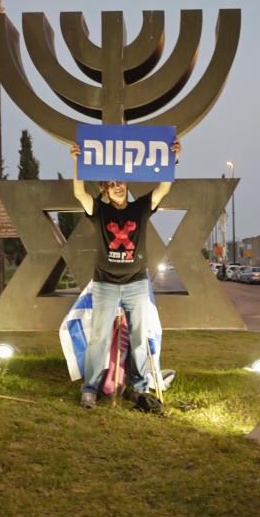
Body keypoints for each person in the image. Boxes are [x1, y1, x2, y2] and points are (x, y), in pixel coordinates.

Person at [71, 140, 180, 411]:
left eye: (120, 182)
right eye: (111, 184)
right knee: (99, 338)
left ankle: (140, 389)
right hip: (106, 283)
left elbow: (163, 188)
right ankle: (90, 391)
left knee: (140, 337)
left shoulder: (140, 208)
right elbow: (79, 193)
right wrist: (76, 162)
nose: (118, 186)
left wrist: (172, 159)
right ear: (106, 191)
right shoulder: (100, 210)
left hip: (136, 284)